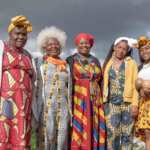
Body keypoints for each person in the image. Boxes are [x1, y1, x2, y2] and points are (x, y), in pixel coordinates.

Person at [0, 15, 37, 149]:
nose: (21, 37)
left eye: (24, 34)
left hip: (24, 106)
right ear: (9, 34)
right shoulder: (2, 47)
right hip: (5, 103)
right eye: (17, 34)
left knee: (21, 132)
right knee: (4, 131)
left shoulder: (28, 55)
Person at [35, 26, 72, 150]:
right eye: (50, 44)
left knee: (61, 140)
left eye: (56, 44)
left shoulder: (65, 65)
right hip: (45, 107)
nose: (54, 46)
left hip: (63, 108)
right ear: (45, 48)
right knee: (46, 138)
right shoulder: (39, 62)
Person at [66, 33, 106, 150]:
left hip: (95, 100)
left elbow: (101, 80)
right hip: (79, 100)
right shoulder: (70, 60)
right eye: (81, 43)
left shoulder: (95, 60)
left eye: (86, 43)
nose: (84, 45)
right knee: (79, 127)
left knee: (94, 125)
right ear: (77, 45)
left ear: (90, 45)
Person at [102, 37, 138, 150]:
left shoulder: (131, 63)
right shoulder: (106, 64)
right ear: (114, 47)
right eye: (119, 47)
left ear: (127, 51)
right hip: (111, 104)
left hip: (128, 104)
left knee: (128, 134)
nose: (121, 51)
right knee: (112, 134)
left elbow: (135, 85)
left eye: (124, 49)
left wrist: (135, 104)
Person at [135, 36, 150, 150]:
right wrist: (140, 91)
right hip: (145, 103)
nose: (144, 52)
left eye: (147, 48)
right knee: (148, 133)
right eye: (141, 50)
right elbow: (137, 85)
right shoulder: (139, 68)